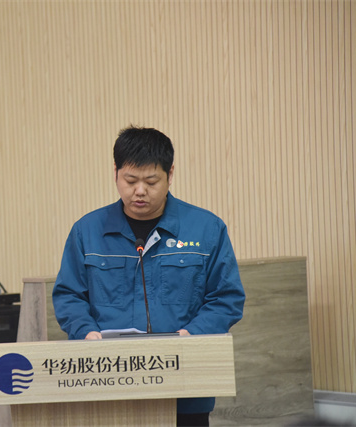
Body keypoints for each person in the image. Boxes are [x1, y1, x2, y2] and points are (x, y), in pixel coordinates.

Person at [52, 126, 246, 427]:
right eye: (130, 180)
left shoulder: (206, 228)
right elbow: (69, 296)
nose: (140, 191)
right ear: (115, 172)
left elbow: (226, 298)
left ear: (170, 174)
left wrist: (191, 336)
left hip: (185, 385)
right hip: (108, 384)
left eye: (151, 181)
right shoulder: (87, 231)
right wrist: (86, 333)